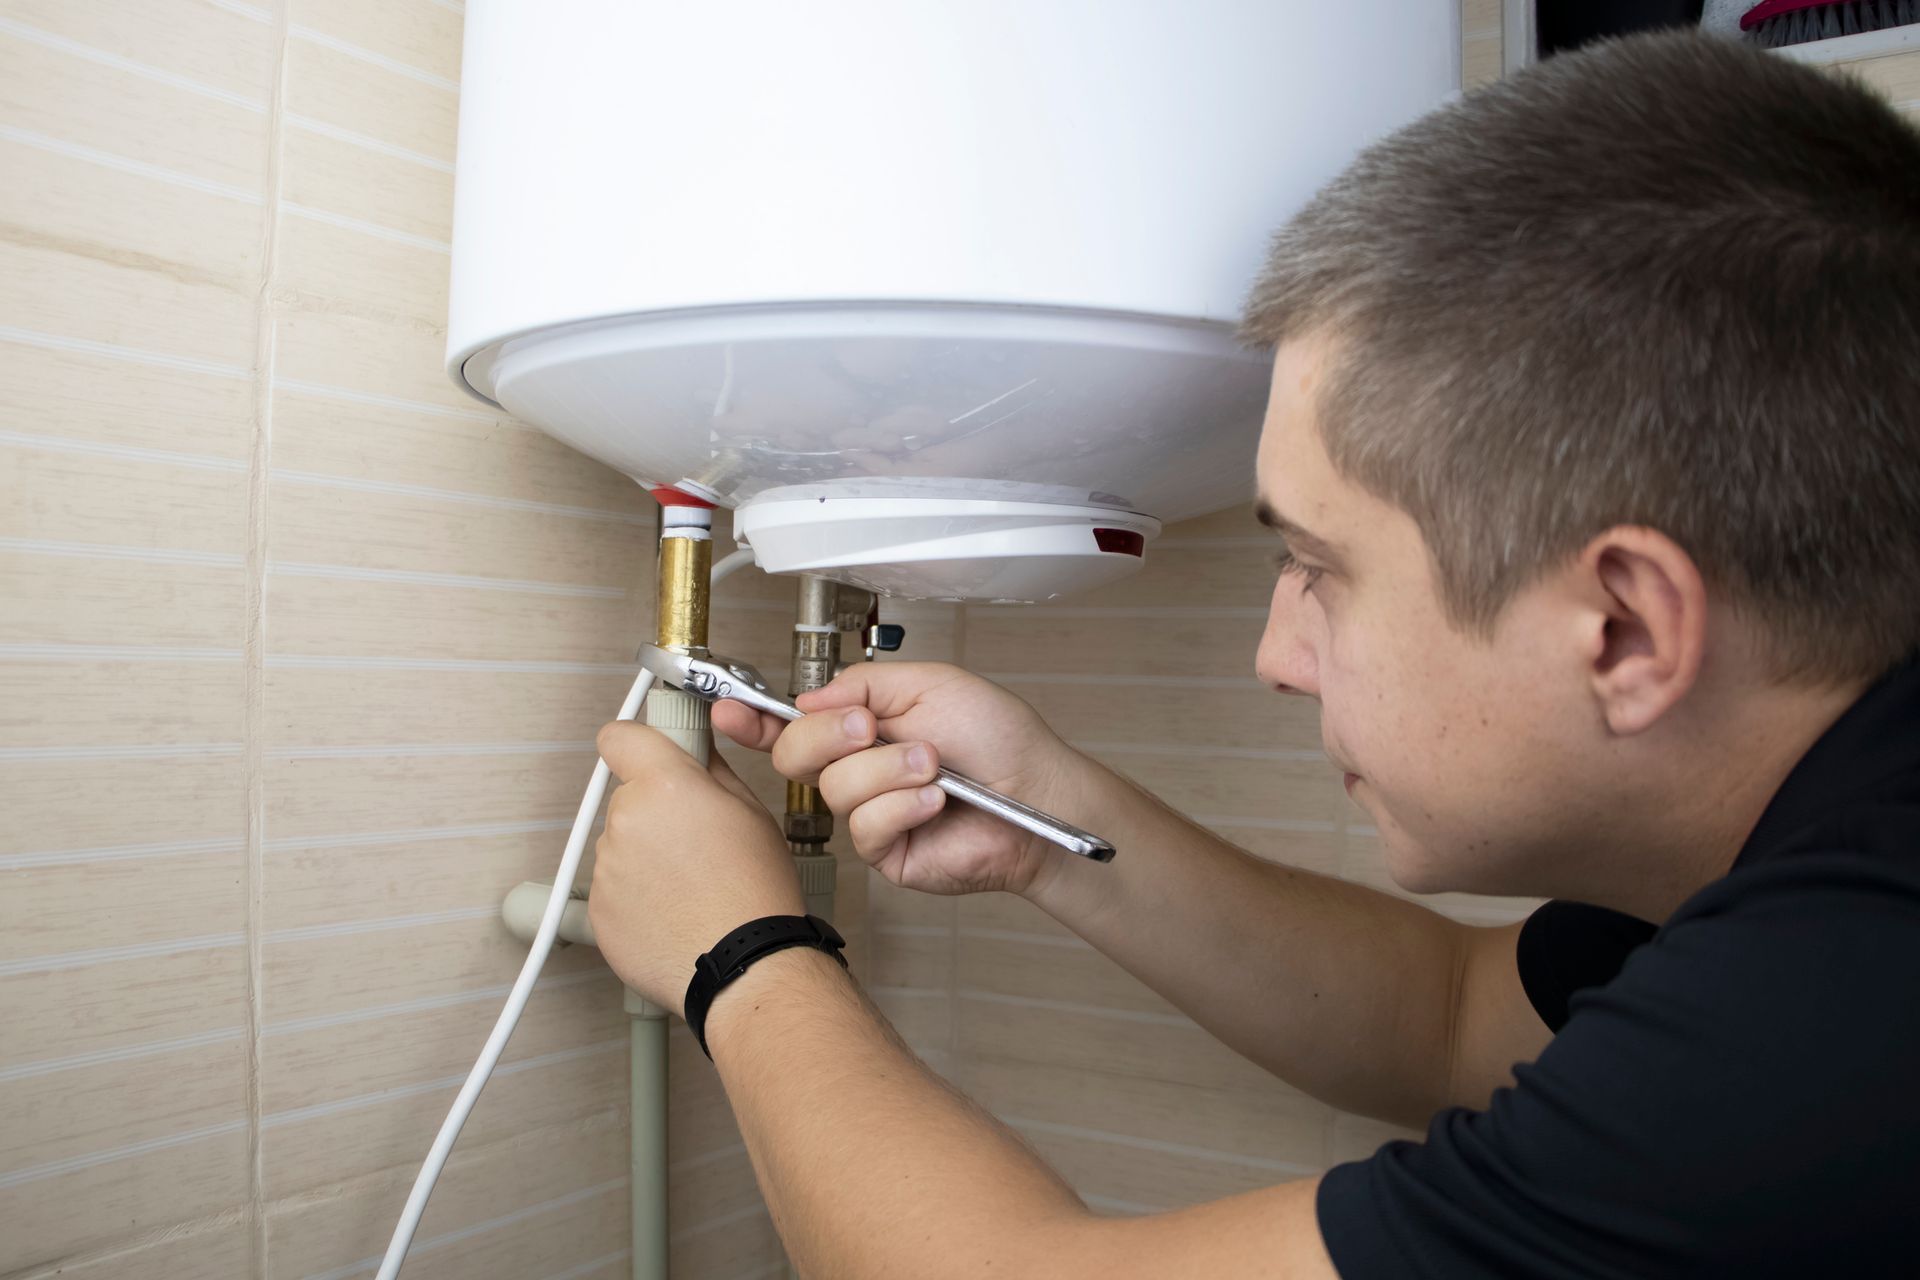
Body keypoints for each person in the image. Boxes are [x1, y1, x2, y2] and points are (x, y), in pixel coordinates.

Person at [588, 30, 1920, 1278]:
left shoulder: (1839, 1024)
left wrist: (739, 955)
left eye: (1321, 568)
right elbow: (1449, 1019)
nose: (1277, 654)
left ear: (1625, 629)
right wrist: (1046, 823)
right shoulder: (1828, 847)